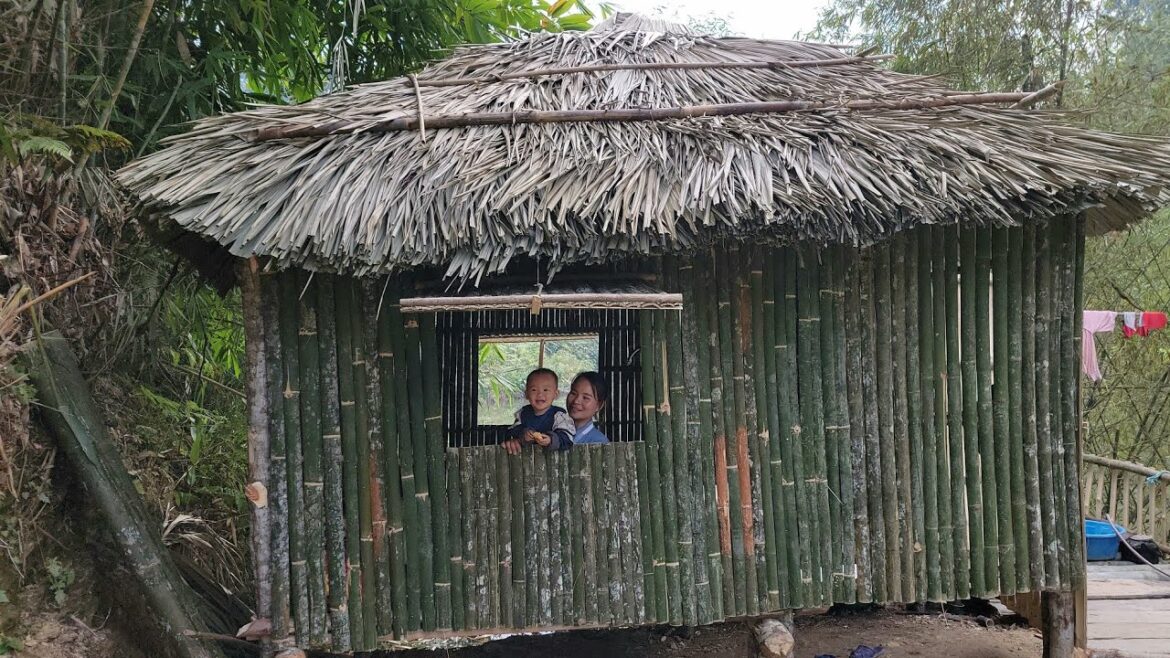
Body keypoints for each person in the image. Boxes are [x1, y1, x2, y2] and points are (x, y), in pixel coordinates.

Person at [500, 367, 575, 455]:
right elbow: (512, 432)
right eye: (534, 390)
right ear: (527, 394)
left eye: (545, 390)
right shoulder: (523, 413)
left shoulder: (559, 415)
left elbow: (568, 438)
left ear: (556, 394)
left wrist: (551, 440)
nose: (540, 394)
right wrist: (523, 435)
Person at [566, 371, 610, 445]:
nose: (576, 401)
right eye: (573, 393)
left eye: (585, 398)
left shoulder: (599, 442)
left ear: (599, 405)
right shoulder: (554, 434)